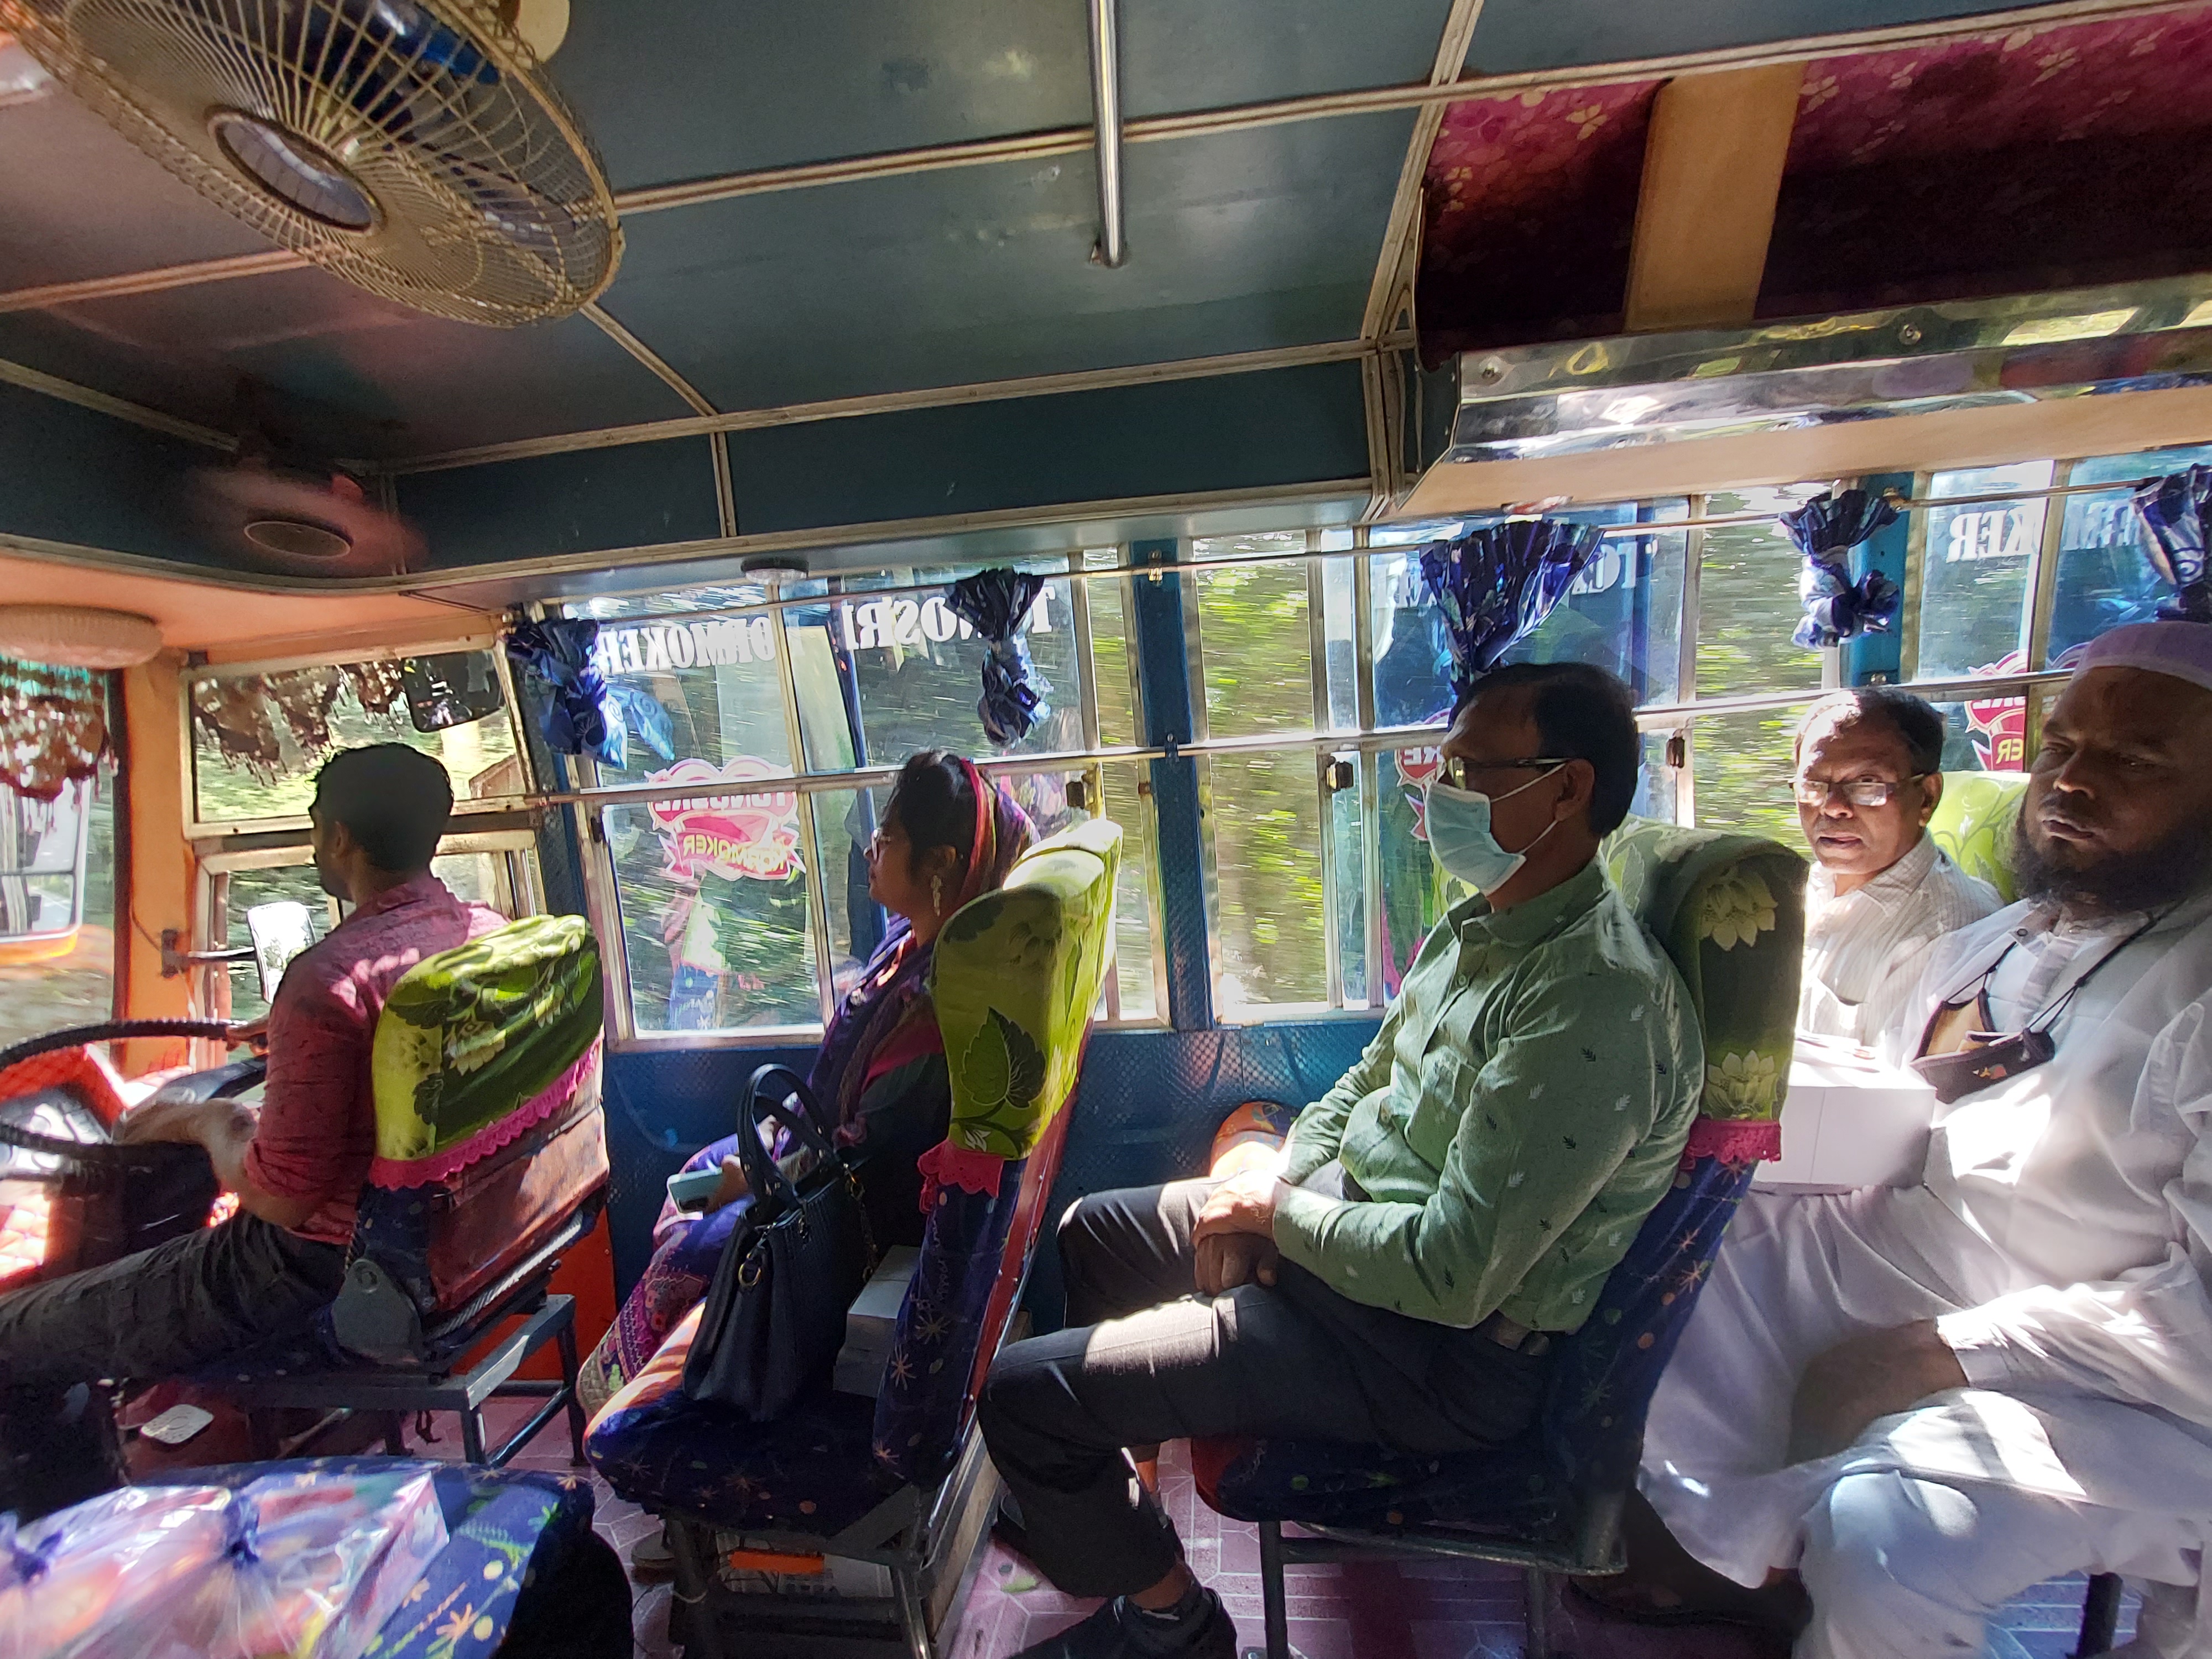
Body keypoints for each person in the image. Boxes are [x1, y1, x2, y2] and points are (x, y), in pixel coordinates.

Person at [977, 662, 1703, 1659]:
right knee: (1094, 1231)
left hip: (1433, 1358)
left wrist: (1276, 1222)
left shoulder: (1592, 1003)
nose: (1438, 797)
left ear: (1567, 788)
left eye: (1469, 773)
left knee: (1021, 1398)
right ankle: (1124, 1514)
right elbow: (1370, 1077)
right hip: (1345, 1243)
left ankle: (1173, 1626)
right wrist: (1272, 1185)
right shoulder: (1481, 924)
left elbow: (1452, 1273)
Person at [1606, 620, 2212, 1658]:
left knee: (1893, 1542)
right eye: (2062, 748)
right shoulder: (1997, 943)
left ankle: (1810, 1566)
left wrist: (1941, 1355)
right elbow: (1894, 1124)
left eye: (2135, 762)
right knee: (1643, 1246)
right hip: (1913, 1271)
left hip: (2122, 1384)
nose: (2072, 783)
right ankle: (1736, 1557)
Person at [0, 744, 497, 1510]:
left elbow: (281, 1200)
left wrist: (210, 1120)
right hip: (453, 1237)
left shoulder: (328, 980)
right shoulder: (480, 932)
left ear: (338, 836)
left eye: (315, 823)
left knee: (16, 1336)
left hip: (309, 1271)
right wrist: (297, 1038)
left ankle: (77, 1539)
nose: (314, 840)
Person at [577, 751, 1034, 1418]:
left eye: (888, 839)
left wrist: (761, 1175)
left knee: (693, 1243)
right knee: (694, 1177)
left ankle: (654, 1407)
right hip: (815, 1148)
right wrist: (770, 1138)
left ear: (937, 864)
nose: (871, 850)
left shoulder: (939, 1008)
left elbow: (870, 1152)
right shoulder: (902, 946)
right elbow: (836, 1081)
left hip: (849, 1216)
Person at [1793, 686, 1998, 1044]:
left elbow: (1892, 1078)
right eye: (1813, 784)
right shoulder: (1800, 887)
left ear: (1927, 798)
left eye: (1867, 784)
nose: (1833, 806)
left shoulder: (1949, 936)